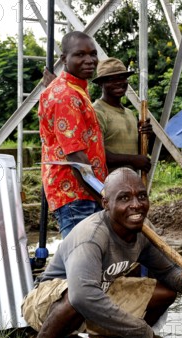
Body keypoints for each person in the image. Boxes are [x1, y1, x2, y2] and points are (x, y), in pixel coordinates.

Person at [3, 168, 182, 338]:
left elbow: (168, 273)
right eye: (124, 198)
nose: (136, 205)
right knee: (76, 296)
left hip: (99, 292)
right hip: (48, 302)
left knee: (165, 293)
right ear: (106, 203)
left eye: (141, 196)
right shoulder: (91, 236)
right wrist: (143, 333)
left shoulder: (142, 231)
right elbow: (83, 296)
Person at [38, 31, 108, 239]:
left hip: (87, 192)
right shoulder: (65, 96)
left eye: (93, 54)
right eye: (80, 55)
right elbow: (76, 158)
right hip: (76, 194)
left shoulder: (75, 90)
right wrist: (104, 196)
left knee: (91, 257)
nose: (89, 60)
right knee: (82, 258)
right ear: (64, 59)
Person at [91, 57, 152, 173]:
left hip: (130, 183)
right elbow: (96, 153)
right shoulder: (97, 112)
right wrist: (133, 160)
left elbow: (136, 152)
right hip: (109, 185)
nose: (118, 82)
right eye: (111, 79)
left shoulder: (130, 113)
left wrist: (143, 135)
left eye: (122, 77)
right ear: (100, 83)